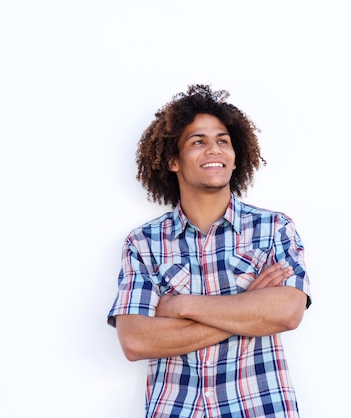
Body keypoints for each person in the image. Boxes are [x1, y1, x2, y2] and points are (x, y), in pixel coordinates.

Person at [107, 84, 312, 418]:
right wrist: (249, 311)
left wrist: (180, 305)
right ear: (172, 160)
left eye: (222, 140)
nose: (213, 149)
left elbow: (287, 312)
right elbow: (135, 342)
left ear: (235, 155)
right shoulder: (143, 242)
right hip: (175, 408)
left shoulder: (273, 228)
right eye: (198, 141)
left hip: (258, 407)